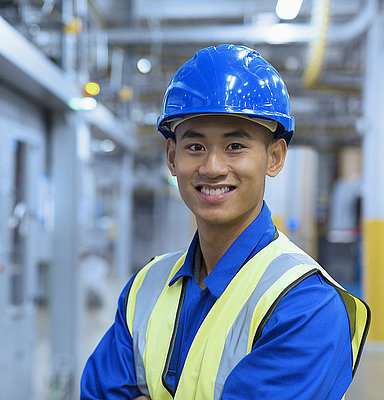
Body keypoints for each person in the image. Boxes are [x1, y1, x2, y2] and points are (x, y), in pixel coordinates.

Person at [80, 44, 370, 400]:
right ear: (172, 158)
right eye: (195, 147)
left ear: (274, 157)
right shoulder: (145, 286)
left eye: (235, 146)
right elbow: (96, 392)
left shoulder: (306, 307)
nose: (213, 167)